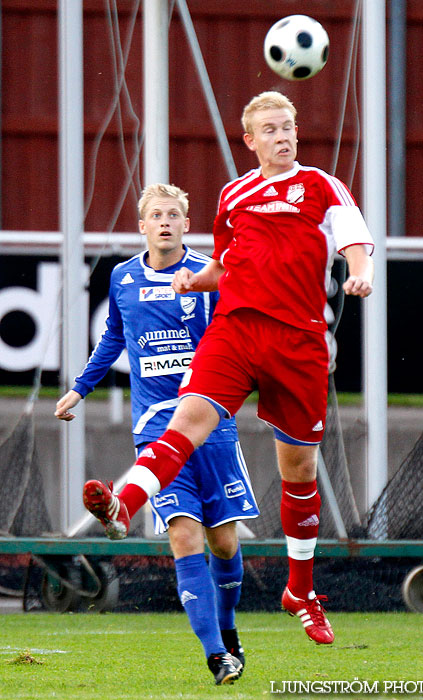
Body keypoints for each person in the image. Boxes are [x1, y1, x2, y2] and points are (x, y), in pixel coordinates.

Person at [83, 91, 375, 646]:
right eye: (271, 129)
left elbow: (353, 239)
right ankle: (126, 504)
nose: (283, 135)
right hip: (237, 329)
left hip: (298, 341)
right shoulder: (233, 195)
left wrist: (360, 272)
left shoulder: (320, 185)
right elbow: (226, 262)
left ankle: (300, 591)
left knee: (299, 471)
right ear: (251, 140)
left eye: (288, 126)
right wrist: (198, 280)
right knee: (188, 419)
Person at [56, 183, 259, 685]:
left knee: (226, 545)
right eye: (155, 215)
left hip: (210, 424)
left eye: (173, 214)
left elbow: (240, 332)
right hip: (155, 430)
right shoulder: (124, 277)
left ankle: (228, 630)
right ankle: (217, 657)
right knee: (185, 538)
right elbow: (114, 339)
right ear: (142, 225)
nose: (165, 222)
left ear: (186, 225)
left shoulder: (209, 275)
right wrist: (80, 389)